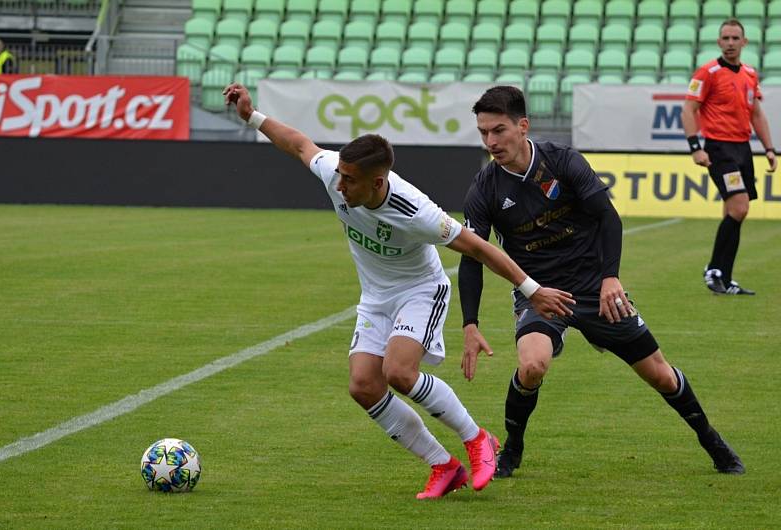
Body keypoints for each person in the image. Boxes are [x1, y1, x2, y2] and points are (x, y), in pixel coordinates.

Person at [222, 82, 575, 499]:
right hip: (376, 296)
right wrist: (251, 116)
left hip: (420, 290)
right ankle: (443, 466)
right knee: (363, 386)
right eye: (340, 177)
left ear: (377, 183)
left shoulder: (417, 212)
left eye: (350, 181)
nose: (339, 187)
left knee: (399, 372)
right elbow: (299, 144)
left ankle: (478, 438)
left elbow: (479, 248)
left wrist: (531, 289)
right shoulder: (336, 171)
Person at [458, 85, 745, 480]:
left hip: (595, 286)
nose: (491, 141)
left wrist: (611, 277)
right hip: (539, 294)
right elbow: (473, 256)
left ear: (523, 126)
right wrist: (470, 323)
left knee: (659, 374)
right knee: (532, 365)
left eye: (499, 130)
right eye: (483, 132)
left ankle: (712, 440)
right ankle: (512, 448)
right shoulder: (485, 187)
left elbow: (609, 218)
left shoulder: (563, 162)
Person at [681, 18, 777, 295]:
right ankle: (713, 269)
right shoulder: (707, 72)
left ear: (744, 42)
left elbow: (756, 113)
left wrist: (769, 148)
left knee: (734, 212)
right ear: (719, 41)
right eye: (726, 38)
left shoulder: (749, 73)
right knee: (740, 208)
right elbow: (688, 110)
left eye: (736, 38)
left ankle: (725, 278)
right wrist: (695, 147)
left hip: (743, 149)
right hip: (720, 149)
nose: (731, 43)